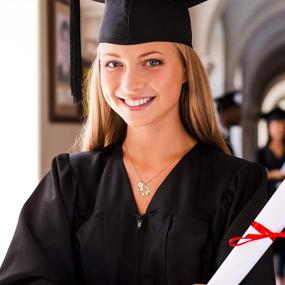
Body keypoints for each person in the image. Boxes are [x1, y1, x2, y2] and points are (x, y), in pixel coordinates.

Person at [0, 0, 275, 284]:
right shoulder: (69, 181)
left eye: (152, 61)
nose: (130, 83)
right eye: (113, 63)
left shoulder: (236, 185)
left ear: (185, 70)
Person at [257, 107, 285, 284]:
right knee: (271, 243)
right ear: (269, 128)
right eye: (275, 125)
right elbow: (257, 176)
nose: (279, 128)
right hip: (269, 204)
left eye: (282, 124)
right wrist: (275, 175)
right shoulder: (261, 152)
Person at [214, 90, 242, 155]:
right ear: (226, 113)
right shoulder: (217, 142)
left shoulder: (226, 139)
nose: (241, 115)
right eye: (238, 111)